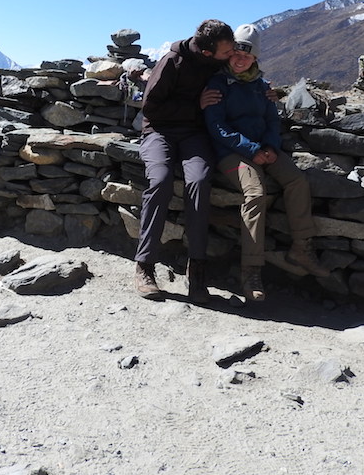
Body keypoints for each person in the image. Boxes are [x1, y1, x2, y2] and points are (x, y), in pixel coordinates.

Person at [204, 23, 328, 303]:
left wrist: (270, 145)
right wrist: (251, 149)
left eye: (246, 56)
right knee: (255, 193)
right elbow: (217, 126)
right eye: (235, 53)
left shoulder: (261, 86)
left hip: (264, 147)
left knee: (297, 180)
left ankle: (302, 248)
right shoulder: (217, 83)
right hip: (230, 153)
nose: (239, 59)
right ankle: (251, 270)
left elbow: (272, 119)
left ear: (255, 58)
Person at [132, 19, 236, 301]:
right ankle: (145, 265)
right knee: (161, 181)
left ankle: (197, 270)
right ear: (206, 52)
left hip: (195, 134)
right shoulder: (171, 62)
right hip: (160, 131)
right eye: (227, 51)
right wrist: (196, 105)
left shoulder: (217, 63)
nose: (231, 55)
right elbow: (151, 107)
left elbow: (240, 79)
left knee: (200, 182)